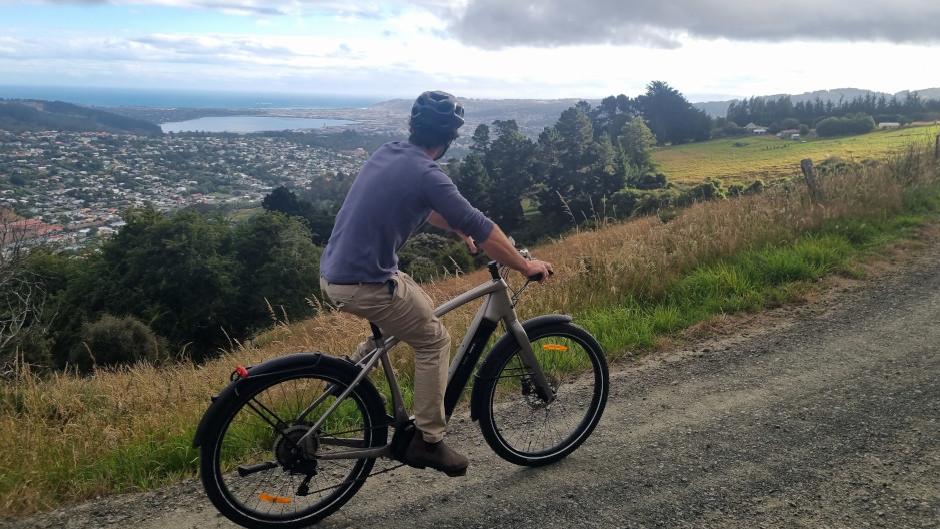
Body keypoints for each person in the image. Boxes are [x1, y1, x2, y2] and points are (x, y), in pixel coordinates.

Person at [319, 90, 552, 477]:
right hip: (365, 281)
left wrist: (461, 231)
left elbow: (428, 208)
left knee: (415, 300)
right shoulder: (430, 175)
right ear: (448, 140)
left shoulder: (390, 152)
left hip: (338, 273)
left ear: (414, 127)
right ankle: (428, 440)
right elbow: (485, 227)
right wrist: (525, 265)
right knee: (434, 339)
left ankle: (351, 372)